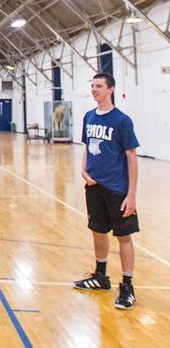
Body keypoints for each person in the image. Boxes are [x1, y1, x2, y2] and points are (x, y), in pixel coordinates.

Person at [72, 73, 140, 310]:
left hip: (117, 188)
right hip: (94, 186)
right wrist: (83, 170)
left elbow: (132, 157)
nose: (94, 89)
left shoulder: (122, 120)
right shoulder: (89, 117)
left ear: (110, 89)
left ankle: (128, 286)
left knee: (123, 237)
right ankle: (101, 276)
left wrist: (131, 195)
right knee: (98, 231)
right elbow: (87, 148)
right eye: (92, 86)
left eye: (98, 86)